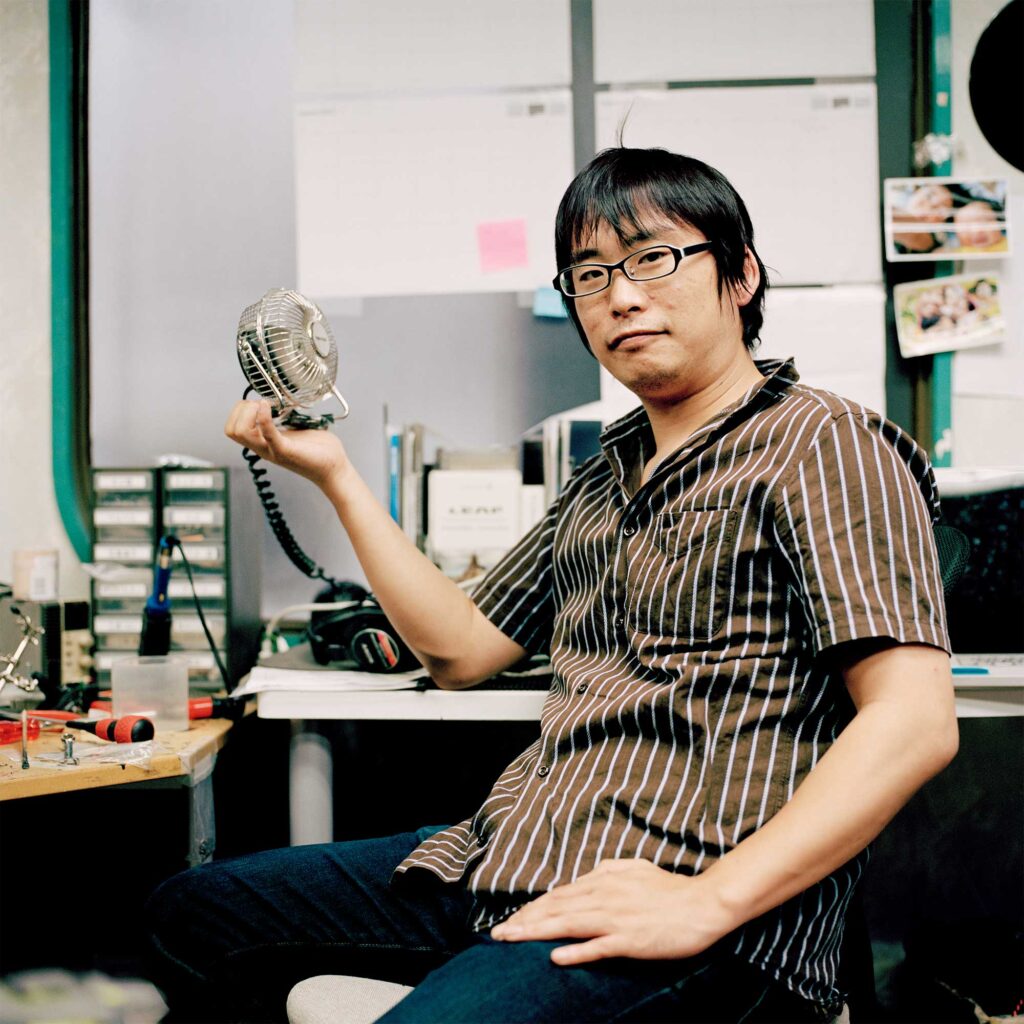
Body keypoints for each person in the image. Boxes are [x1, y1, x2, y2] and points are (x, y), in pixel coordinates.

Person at [145, 148, 958, 1024]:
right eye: (590, 273)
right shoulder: (606, 475)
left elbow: (913, 721)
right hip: (503, 861)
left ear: (741, 275)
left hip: (692, 904)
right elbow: (460, 650)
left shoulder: (825, 444)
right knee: (190, 917)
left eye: (654, 257)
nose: (622, 294)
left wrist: (709, 901)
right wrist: (336, 476)